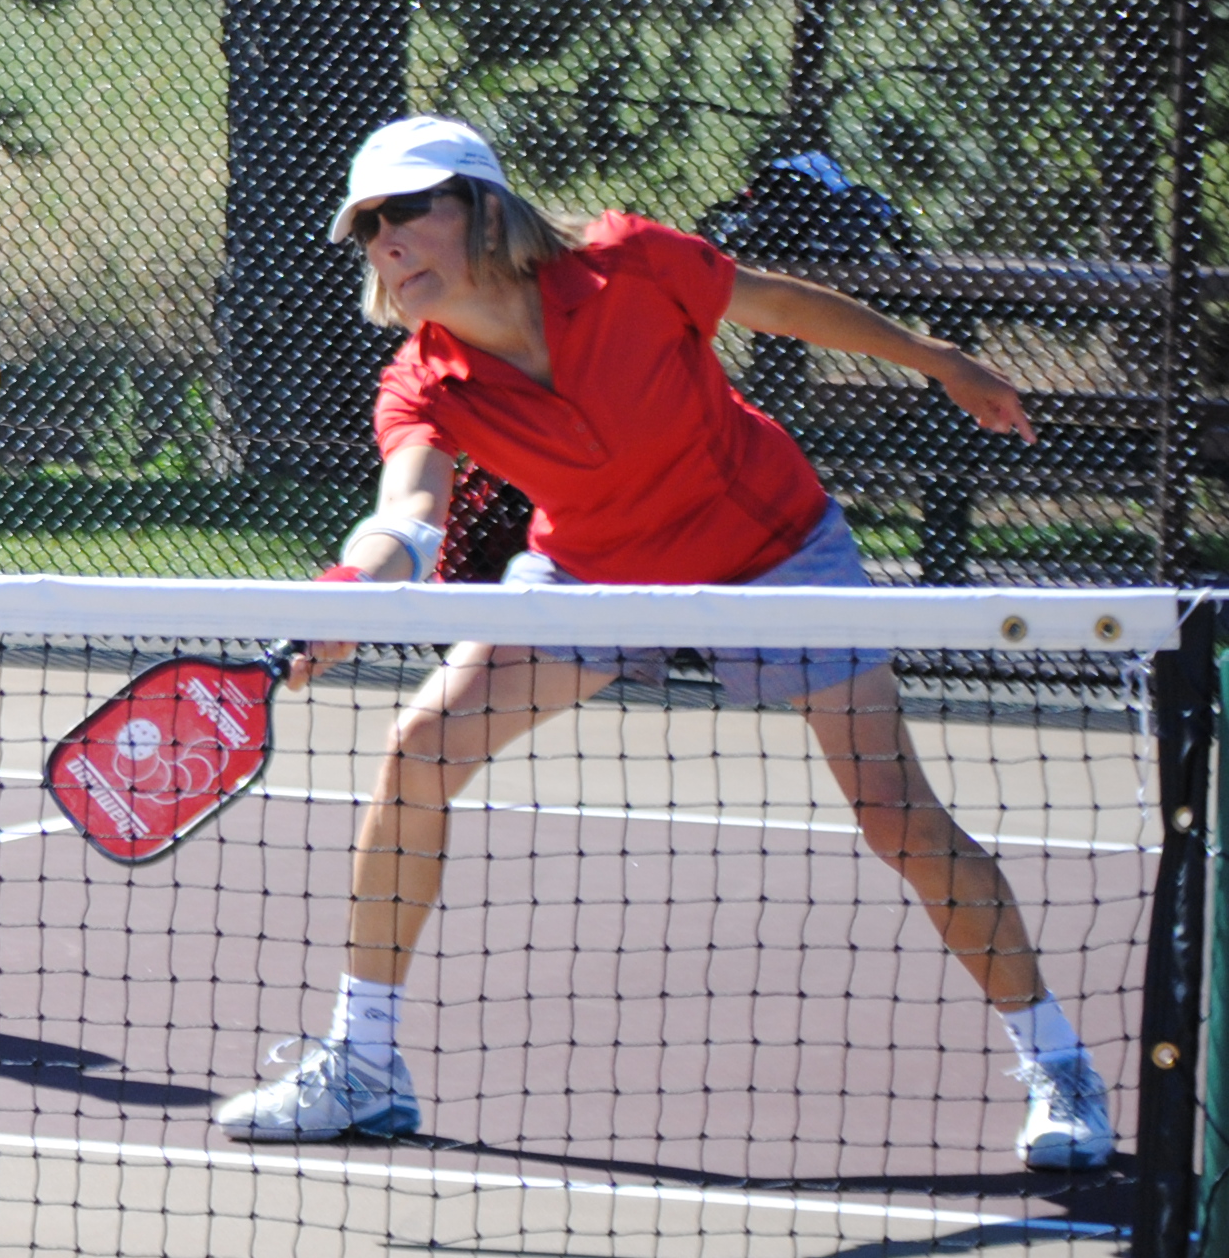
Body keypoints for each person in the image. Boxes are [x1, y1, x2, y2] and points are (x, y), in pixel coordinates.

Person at [212, 114, 1109, 1171]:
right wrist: (346, 594)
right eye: (365, 225)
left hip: (773, 553)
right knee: (417, 753)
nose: (383, 240)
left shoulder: (627, 263)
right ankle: (361, 1066)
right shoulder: (422, 378)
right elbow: (405, 514)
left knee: (895, 817)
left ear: (480, 207)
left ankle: (1056, 1064)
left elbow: (778, 304)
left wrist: (933, 359)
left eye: (406, 209)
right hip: (592, 575)